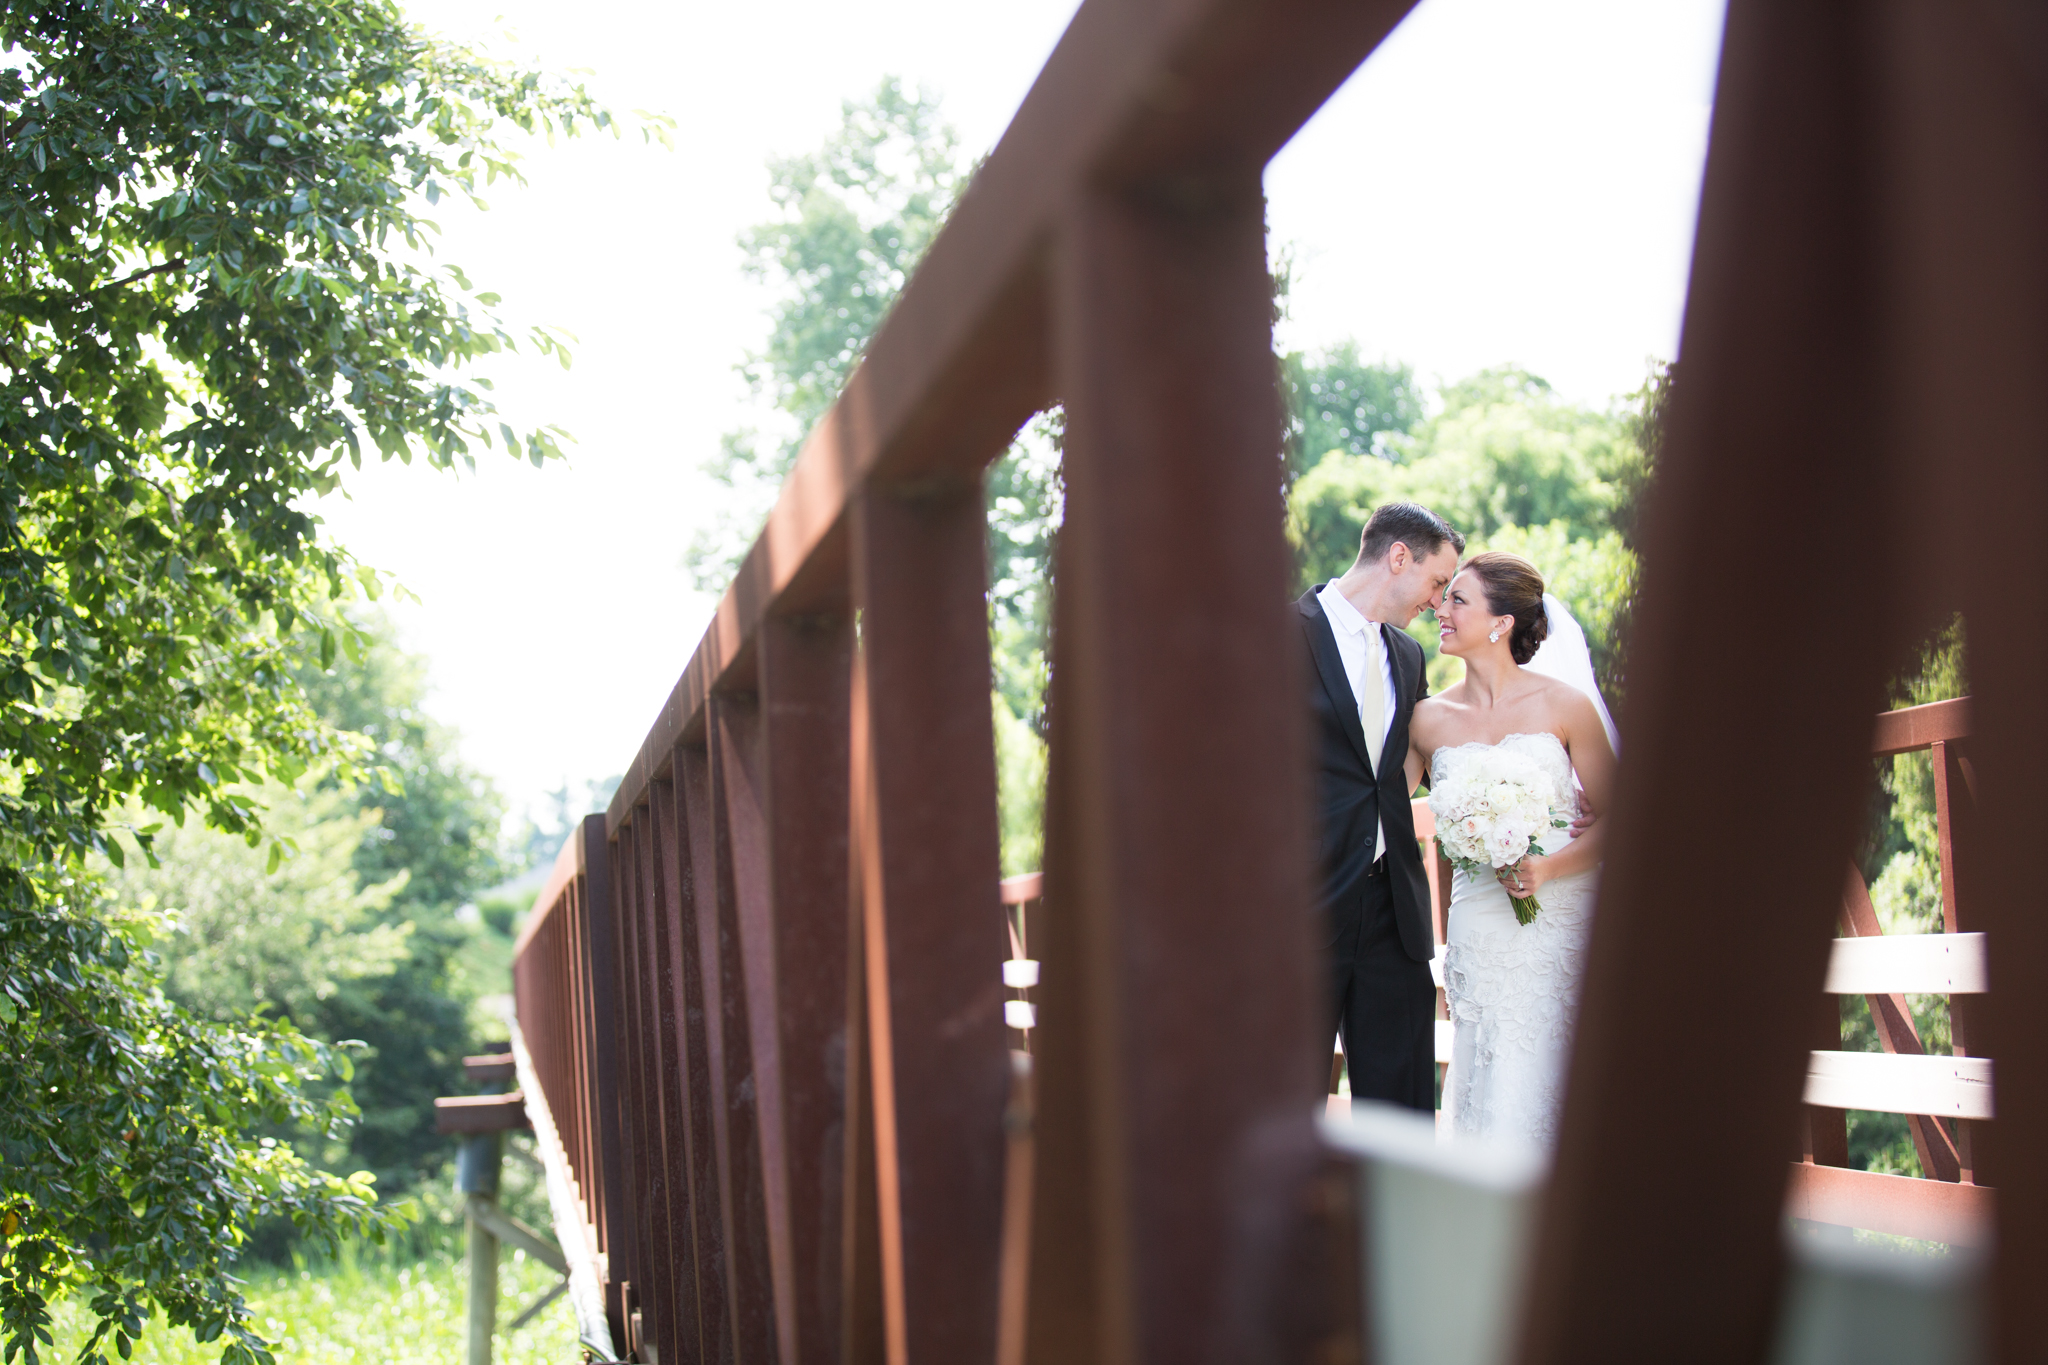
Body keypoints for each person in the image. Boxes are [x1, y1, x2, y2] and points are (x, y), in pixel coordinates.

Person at [1404, 552, 1619, 1148]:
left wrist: (1546, 868)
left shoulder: (1565, 705)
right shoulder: (1426, 719)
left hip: (1558, 914)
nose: (1440, 610)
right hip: (1479, 922)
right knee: (1488, 1075)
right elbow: (1387, 808)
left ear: (1501, 623)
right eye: (1443, 598)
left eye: (1457, 600)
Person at [1298, 501, 1464, 1111]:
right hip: (1302, 908)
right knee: (1291, 1102)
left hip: (1394, 909)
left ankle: (1395, 1210)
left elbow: (1402, 773)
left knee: (1404, 1103)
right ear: (1399, 557)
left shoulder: (1409, 655)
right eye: (1437, 581)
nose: (1438, 602)